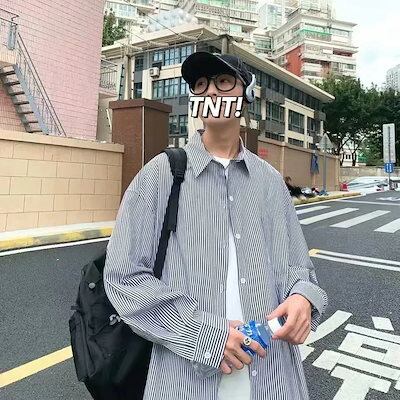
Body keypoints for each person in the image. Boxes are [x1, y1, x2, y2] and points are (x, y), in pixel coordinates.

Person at [104, 51, 328, 400]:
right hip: (185, 378)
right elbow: (123, 276)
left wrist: (303, 297)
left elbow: (298, 265)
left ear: (246, 96)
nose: (211, 91)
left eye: (223, 82)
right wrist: (207, 335)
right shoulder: (160, 175)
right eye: (201, 84)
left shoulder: (269, 181)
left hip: (273, 376)